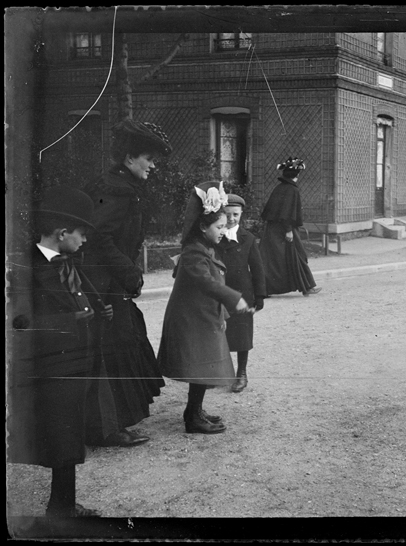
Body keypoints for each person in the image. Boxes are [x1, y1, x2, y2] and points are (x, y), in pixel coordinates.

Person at [10, 186, 112, 517]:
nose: (84, 241)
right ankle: (61, 509)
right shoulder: (28, 269)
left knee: (69, 435)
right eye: (82, 234)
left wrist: (97, 309)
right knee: (61, 438)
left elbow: (78, 295)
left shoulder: (65, 262)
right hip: (51, 368)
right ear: (63, 232)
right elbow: (22, 322)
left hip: (72, 365)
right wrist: (71, 319)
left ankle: (63, 503)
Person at [80, 119, 171, 447]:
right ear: (130, 158)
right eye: (148, 158)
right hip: (102, 281)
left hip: (110, 280)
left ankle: (110, 423)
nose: (152, 165)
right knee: (112, 347)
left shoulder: (122, 186)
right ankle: (107, 427)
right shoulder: (114, 190)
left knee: (119, 342)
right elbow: (98, 238)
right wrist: (129, 274)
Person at [157, 181, 251, 434]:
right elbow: (206, 282)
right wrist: (233, 298)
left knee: (203, 367)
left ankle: (194, 410)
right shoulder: (193, 253)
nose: (223, 230)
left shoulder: (204, 248)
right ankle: (192, 417)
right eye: (219, 227)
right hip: (192, 319)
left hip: (202, 316)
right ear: (202, 226)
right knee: (201, 367)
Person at [217, 193, 267, 393]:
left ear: (241, 214)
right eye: (227, 215)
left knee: (243, 334)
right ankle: (221, 372)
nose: (231, 219)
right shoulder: (216, 236)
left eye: (235, 215)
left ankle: (242, 373)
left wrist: (259, 296)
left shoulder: (248, 238)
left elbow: (257, 269)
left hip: (242, 294)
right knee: (220, 332)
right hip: (221, 292)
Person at [260, 157, 322, 296]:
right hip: (284, 229)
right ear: (297, 175)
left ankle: (306, 287)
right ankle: (306, 287)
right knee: (295, 255)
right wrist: (288, 231)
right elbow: (286, 212)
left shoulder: (280, 188)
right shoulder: (291, 190)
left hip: (274, 229)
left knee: (274, 259)